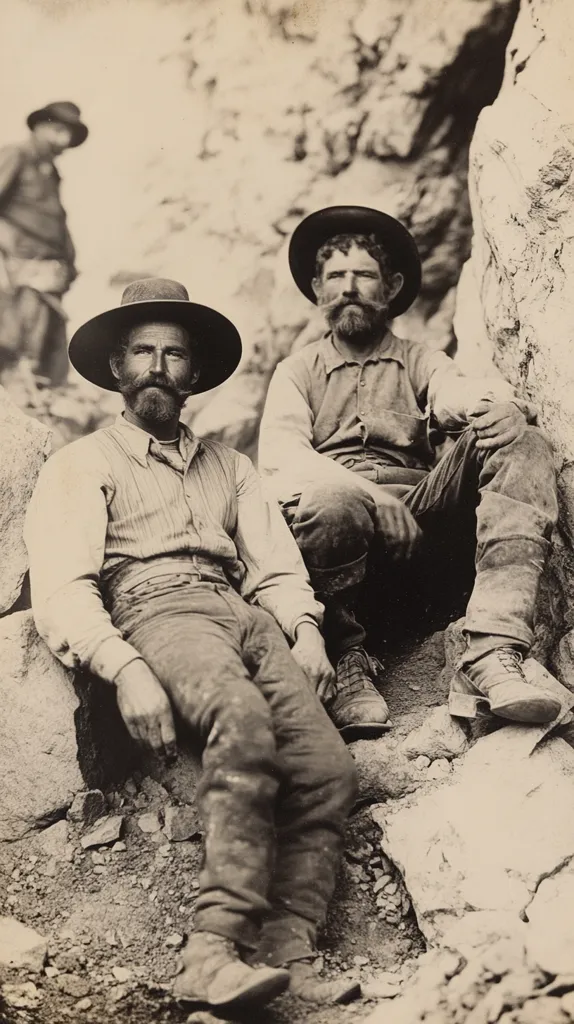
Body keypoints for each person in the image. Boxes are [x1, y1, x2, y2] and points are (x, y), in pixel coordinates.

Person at [24, 277, 360, 1014]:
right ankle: (211, 952)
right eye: (141, 351)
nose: (157, 367)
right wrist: (125, 668)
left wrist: (305, 631)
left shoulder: (231, 467)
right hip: (156, 608)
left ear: (195, 374)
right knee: (240, 726)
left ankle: (289, 949)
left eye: (175, 355)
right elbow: (62, 586)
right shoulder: (83, 464)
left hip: (245, 614)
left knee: (328, 768)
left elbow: (275, 567)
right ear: (116, 368)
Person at [258, 205, 561, 738]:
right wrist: (371, 495)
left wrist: (494, 404)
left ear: (390, 287)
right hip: (342, 528)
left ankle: (492, 650)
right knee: (331, 497)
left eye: (364, 276)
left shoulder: (419, 358)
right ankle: (347, 661)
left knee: (520, 437)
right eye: (336, 277)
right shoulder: (296, 372)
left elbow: (455, 392)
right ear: (316, 287)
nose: (349, 289)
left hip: (421, 521)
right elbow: (283, 456)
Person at [0, 101, 88, 387]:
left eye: (68, 135)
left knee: (48, 342)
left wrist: (70, 259)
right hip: (24, 263)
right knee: (22, 339)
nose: (63, 141)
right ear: (39, 127)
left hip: (50, 266)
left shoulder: (51, 171)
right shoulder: (17, 155)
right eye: (58, 130)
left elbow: (56, 221)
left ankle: (46, 396)